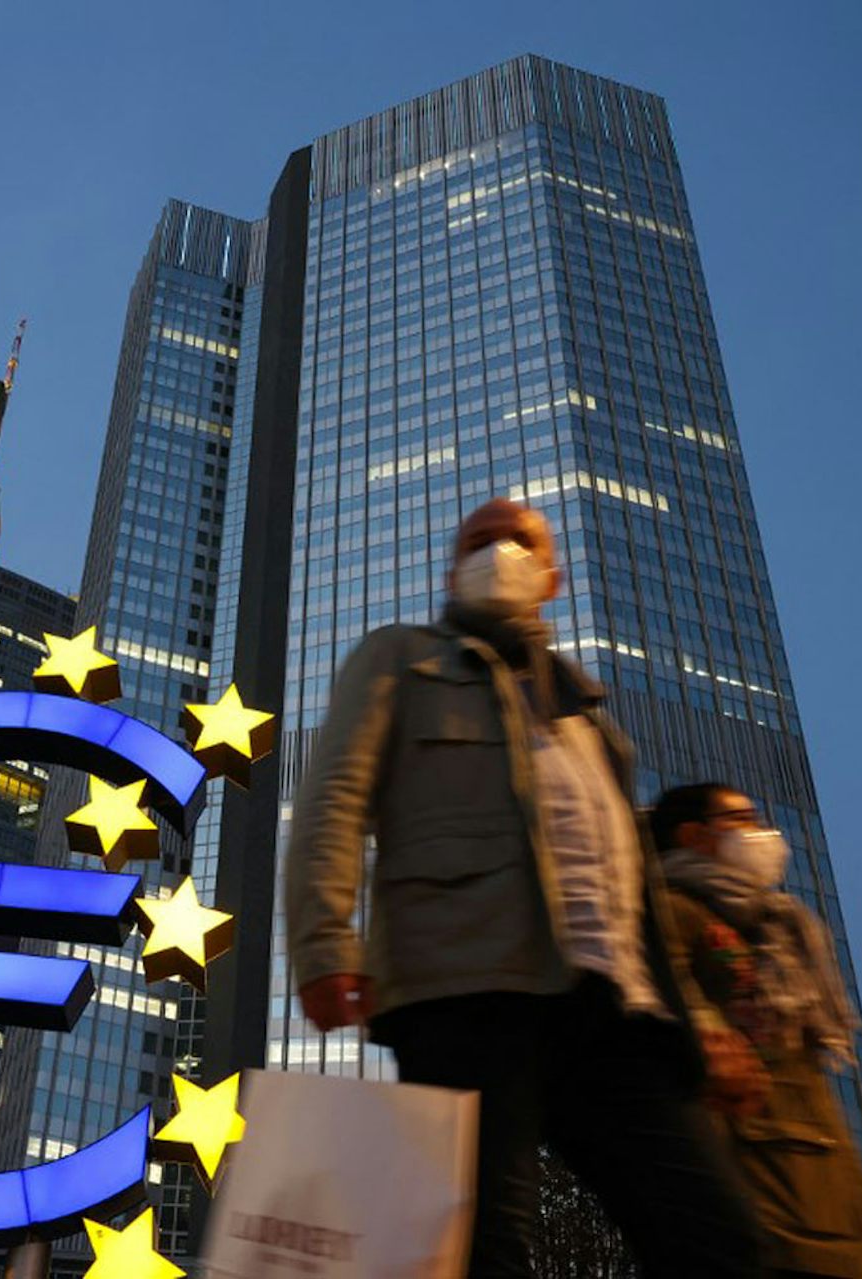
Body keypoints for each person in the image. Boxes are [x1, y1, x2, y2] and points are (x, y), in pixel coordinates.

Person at [283, 497, 764, 1278]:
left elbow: (638, 897)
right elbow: (334, 797)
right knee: (485, 1245)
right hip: (467, 987)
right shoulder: (401, 657)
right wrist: (323, 939)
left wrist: (700, 1018)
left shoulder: (592, 717)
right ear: (450, 569)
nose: (499, 551)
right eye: (480, 541)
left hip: (617, 1009)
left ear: (552, 577)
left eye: (519, 541)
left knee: (716, 1237)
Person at [652, 783, 862, 1278]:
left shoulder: (778, 925)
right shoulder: (675, 912)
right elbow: (676, 1013)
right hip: (762, 1186)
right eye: (739, 819)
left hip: (829, 1184)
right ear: (692, 835)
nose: (761, 833)